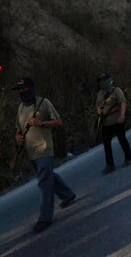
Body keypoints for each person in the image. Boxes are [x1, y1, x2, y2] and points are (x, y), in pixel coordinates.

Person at [12, 77, 76, 233]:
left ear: (31, 89)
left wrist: (41, 123)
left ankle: (45, 218)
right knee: (48, 176)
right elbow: (18, 129)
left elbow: (58, 122)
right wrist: (17, 137)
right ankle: (67, 195)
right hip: (30, 151)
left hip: (44, 148)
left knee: (44, 183)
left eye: (24, 89)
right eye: (19, 90)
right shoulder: (20, 107)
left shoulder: (44, 103)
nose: (21, 92)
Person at [95, 73, 131, 175]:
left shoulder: (116, 91)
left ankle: (128, 158)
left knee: (122, 139)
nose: (101, 83)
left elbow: (123, 102)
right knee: (106, 144)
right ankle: (110, 165)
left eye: (102, 81)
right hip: (106, 123)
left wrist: (122, 116)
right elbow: (98, 105)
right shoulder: (100, 93)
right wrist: (99, 112)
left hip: (117, 120)